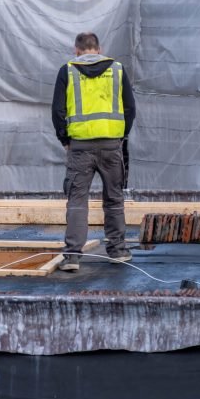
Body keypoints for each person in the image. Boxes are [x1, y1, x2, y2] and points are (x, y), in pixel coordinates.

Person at [51, 32, 136, 272]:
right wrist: (121, 135)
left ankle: (72, 257)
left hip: (80, 146)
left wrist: (64, 139)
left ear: (76, 50)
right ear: (99, 49)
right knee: (114, 198)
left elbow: (58, 110)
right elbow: (130, 107)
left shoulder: (67, 71)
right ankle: (118, 250)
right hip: (111, 144)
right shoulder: (117, 69)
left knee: (77, 200)